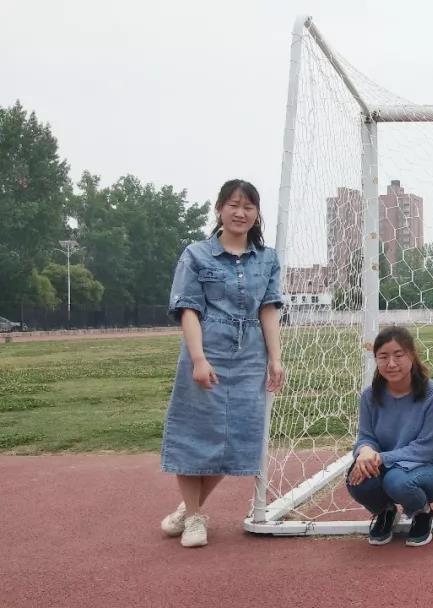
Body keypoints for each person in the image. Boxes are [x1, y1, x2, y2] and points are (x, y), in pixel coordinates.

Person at [160, 179, 286, 548]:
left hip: (249, 357)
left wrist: (276, 358)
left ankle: (189, 508)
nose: (240, 212)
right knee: (195, 435)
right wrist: (198, 359)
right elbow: (188, 310)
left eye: (248, 206)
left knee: (237, 438)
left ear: (257, 213)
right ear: (219, 209)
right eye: (233, 205)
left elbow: (268, 309)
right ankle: (194, 518)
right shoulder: (196, 255)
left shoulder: (268, 259)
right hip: (208, 352)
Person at [346, 326, 433, 547]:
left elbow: (426, 448)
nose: (391, 363)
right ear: (376, 359)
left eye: (398, 355)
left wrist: (380, 458)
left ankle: (423, 512)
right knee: (357, 478)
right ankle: (385, 511)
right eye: (383, 356)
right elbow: (366, 436)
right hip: (386, 466)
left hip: (427, 468)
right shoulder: (369, 396)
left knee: (397, 481)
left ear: (412, 355)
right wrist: (365, 451)